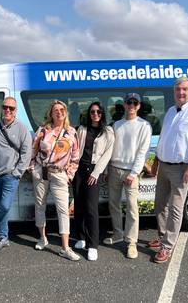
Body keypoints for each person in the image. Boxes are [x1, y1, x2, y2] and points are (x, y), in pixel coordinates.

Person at [149, 76, 188, 264]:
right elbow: (164, 138)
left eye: (184, 89)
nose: (181, 93)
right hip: (164, 165)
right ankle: (162, 237)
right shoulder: (170, 111)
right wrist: (156, 160)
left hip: (182, 167)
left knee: (176, 208)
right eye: (178, 89)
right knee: (160, 205)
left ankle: (167, 247)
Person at [30, 100, 81, 261]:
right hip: (42, 172)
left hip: (60, 174)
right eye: (55, 110)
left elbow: (75, 157)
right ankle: (42, 238)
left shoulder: (71, 132)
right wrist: (33, 169)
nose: (58, 112)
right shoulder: (43, 130)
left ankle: (65, 247)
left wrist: (69, 175)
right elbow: (33, 150)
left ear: (65, 113)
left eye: (61, 110)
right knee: (40, 205)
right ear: (51, 114)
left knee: (63, 210)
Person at [103, 93, 152, 259]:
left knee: (132, 208)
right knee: (113, 204)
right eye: (128, 102)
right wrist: (106, 170)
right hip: (114, 168)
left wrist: (134, 173)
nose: (131, 105)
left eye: (134, 102)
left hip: (131, 172)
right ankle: (118, 233)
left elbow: (142, 152)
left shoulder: (144, 126)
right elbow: (109, 149)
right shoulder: (117, 125)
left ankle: (132, 242)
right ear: (124, 104)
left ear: (138, 106)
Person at [0, 97, 32, 251]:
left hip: (11, 175)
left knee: (4, 206)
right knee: (1, 207)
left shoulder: (21, 128)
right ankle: (4, 237)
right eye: (5, 107)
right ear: (1, 108)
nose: (8, 110)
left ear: (15, 111)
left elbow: (27, 152)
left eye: (11, 108)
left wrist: (17, 172)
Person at [73, 102, 114, 261]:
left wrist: (96, 173)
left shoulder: (108, 132)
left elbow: (107, 155)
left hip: (94, 171)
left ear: (102, 113)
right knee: (79, 205)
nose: (95, 114)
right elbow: (75, 149)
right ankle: (81, 238)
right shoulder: (82, 129)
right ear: (88, 114)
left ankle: (93, 245)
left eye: (98, 111)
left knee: (91, 209)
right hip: (78, 170)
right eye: (92, 112)